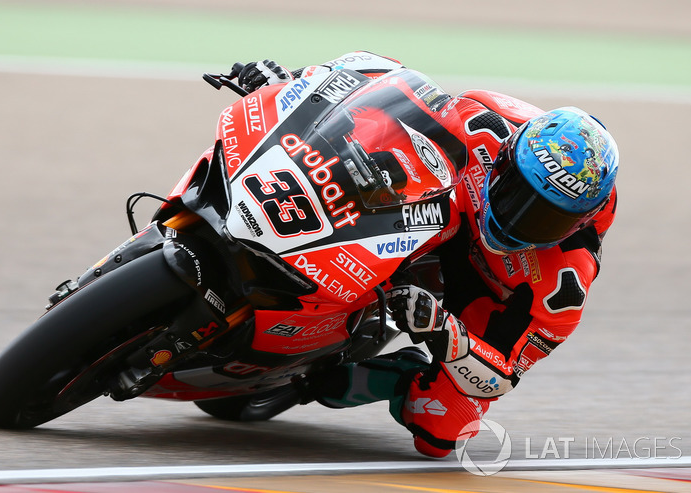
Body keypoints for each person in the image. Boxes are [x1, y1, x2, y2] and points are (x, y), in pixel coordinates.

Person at [235, 52, 620, 458]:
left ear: (579, 223)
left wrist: (444, 331)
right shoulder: (483, 121)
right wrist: (290, 86)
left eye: (545, 220)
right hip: (430, 215)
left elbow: (502, 375)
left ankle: (351, 378)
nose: (517, 220)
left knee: (442, 433)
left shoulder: (564, 286)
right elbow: (377, 82)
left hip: (477, 296)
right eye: (514, 192)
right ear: (506, 158)